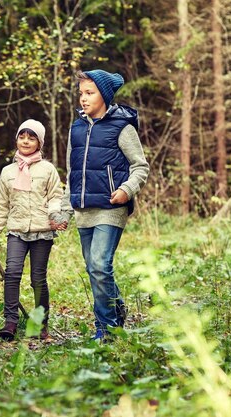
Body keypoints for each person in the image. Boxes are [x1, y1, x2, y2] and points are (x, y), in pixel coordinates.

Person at [61, 69, 150, 342]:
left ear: (104, 96)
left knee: (100, 264)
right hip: (83, 209)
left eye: (90, 93)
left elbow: (140, 167)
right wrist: (64, 209)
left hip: (112, 207)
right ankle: (117, 307)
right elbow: (71, 173)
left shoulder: (122, 127)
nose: (83, 99)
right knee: (94, 268)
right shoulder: (76, 129)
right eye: (81, 93)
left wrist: (126, 190)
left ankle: (107, 328)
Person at [0, 119, 68, 341]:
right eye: (22, 137)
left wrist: (55, 216)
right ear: (17, 139)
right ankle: (10, 322)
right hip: (17, 231)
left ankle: (41, 325)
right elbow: (1, 206)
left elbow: (55, 197)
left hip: (42, 231)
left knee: (38, 279)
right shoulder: (7, 172)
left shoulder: (48, 169)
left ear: (39, 143)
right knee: (12, 274)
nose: (26, 141)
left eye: (31, 138)